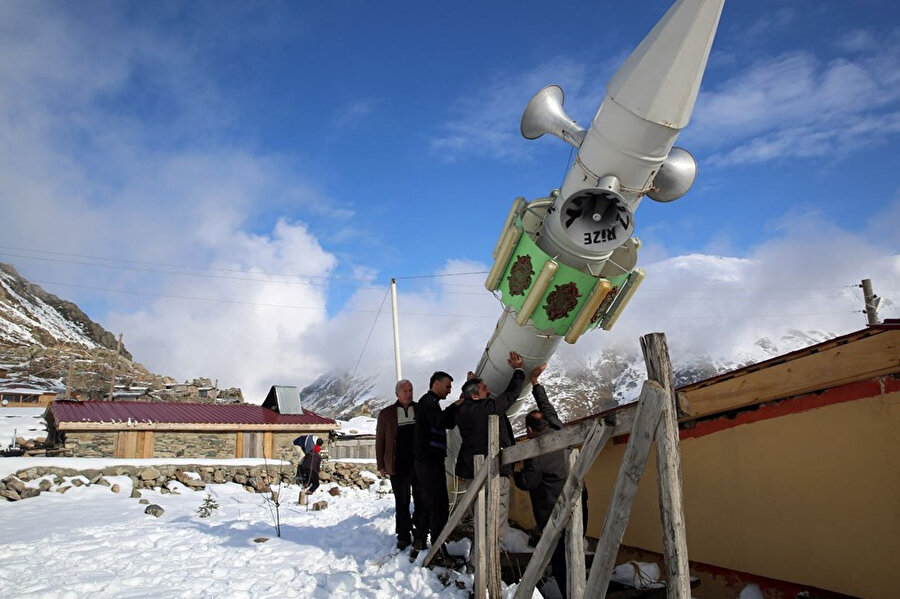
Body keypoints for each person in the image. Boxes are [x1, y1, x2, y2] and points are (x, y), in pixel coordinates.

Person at [514, 363, 581, 599]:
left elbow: (528, 483)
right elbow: (547, 408)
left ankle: (569, 593)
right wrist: (535, 383)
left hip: (554, 512)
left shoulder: (536, 451)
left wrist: (515, 472)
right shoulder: (557, 429)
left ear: (530, 431)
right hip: (579, 504)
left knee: (562, 558)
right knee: (576, 551)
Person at [455, 351, 527, 542]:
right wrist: (519, 369)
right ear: (476, 397)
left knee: (480, 519)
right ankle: (491, 564)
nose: (488, 390)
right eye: (484, 388)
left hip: (473, 473)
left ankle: (477, 562)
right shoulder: (488, 408)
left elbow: (467, 397)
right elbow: (511, 394)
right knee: (496, 519)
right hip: (494, 473)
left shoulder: (461, 410)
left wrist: (472, 383)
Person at [413, 370, 460, 554]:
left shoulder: (432, 404)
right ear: (436, 384)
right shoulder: (428, 402)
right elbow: (440, 421)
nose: (449, 391)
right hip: (428, 462)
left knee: (430, 501)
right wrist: (455, 406)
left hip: (431, 461)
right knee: (437, 503)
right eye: (447, 386)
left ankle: (425, 540)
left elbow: (446, 423)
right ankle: (437, 544)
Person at [375, 379, 424, 550]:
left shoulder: (419, 409)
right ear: (397, 393)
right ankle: (403, 535)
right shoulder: (386, 414)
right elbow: (380, 440)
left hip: (419, 465)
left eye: (411, 389)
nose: (408, 393)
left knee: (421, 500)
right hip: (398, 465)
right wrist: (381, 464)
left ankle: (420, 534)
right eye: (405, 390)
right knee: (402, 501)